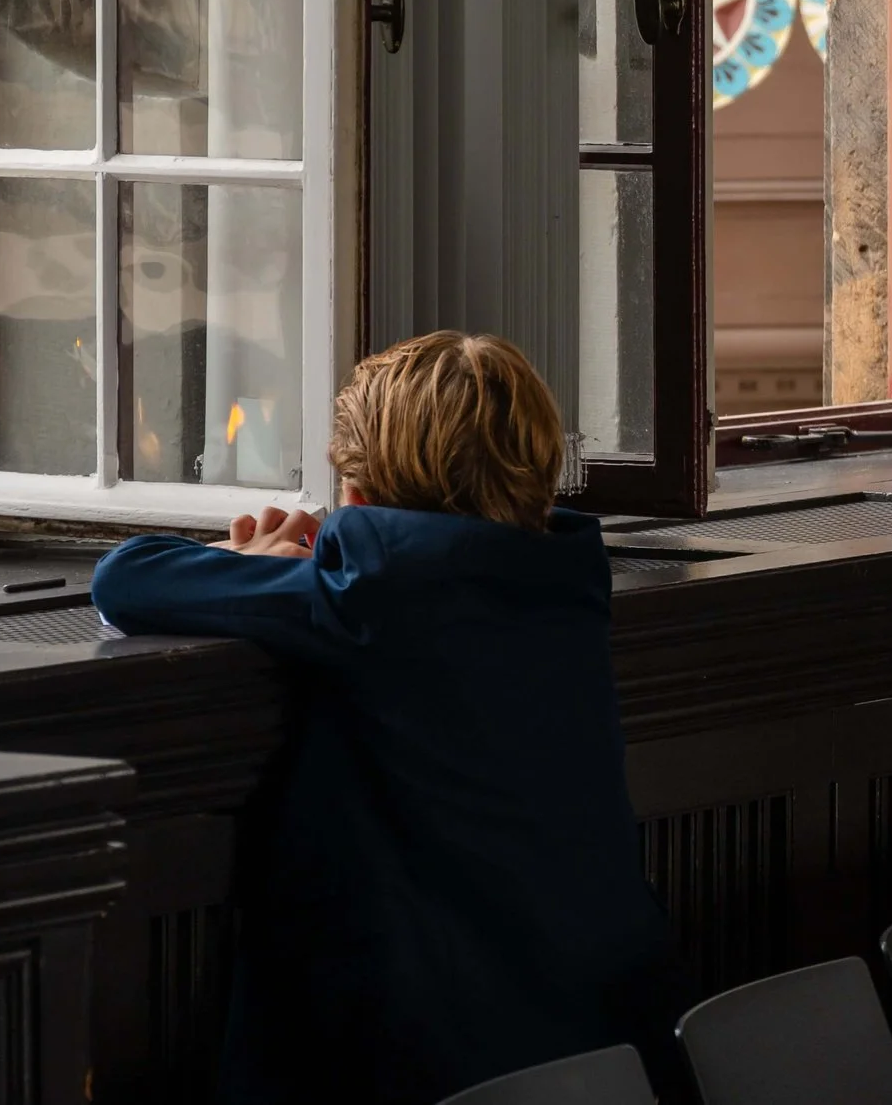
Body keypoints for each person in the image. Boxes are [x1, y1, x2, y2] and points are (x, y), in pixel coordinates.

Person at [92, 332, 689, 1105]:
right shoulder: (563, 577)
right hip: (597, 1013)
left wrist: (254, 563)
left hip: (422, 1042)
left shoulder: (375, 592)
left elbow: (125, 577)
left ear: (360, 492)